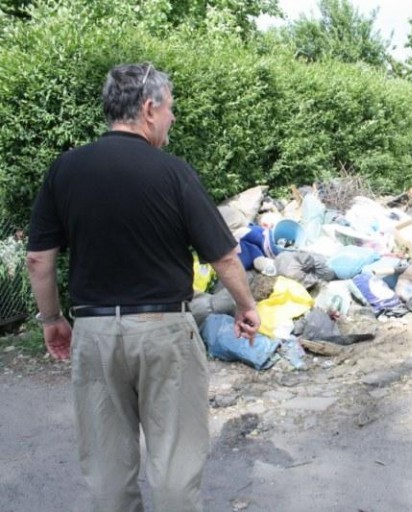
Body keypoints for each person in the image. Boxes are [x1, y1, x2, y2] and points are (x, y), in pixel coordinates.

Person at [26, 62, 261, 512]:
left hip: (93, 332)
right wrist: (246, 305)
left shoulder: (65, 170)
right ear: (150, 109)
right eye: (171, 108)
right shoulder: (173, 173)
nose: (173, 118)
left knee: (108, 467)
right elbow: (225, 256)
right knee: (174, 462)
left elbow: (39, 259)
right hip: (164, 331)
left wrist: (52, 319)